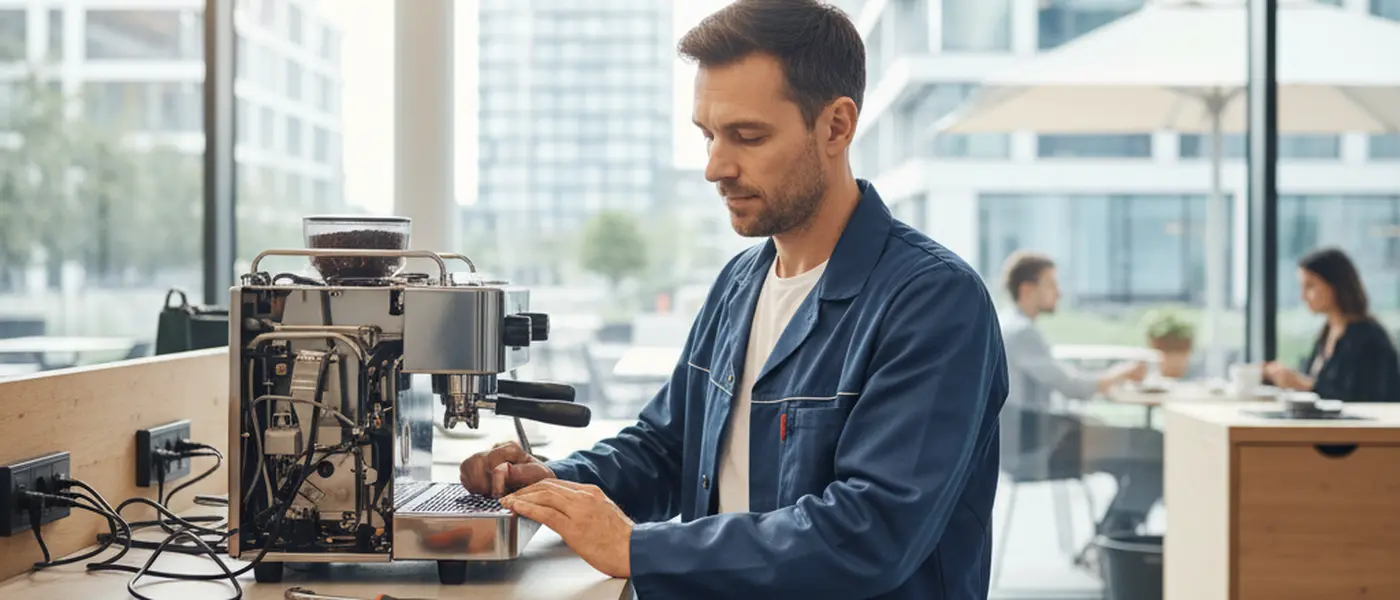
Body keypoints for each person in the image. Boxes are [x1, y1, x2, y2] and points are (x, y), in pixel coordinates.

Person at [458, 1, 1008, 598]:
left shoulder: (933, 302)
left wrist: (636, 547)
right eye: (708, 135)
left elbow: (870, 533)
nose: (715, 166)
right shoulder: (740, 283)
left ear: (836, 126)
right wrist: (555, 483)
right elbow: (667, 449)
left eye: (748, 136)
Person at [998, 250, 1163, 536]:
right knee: (1156, 447)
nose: (1059, 293)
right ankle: (1113, 541)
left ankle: (1111, 538)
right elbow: (1073, 388)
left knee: (1144, 454)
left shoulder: (1010, 325)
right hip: (1041, 448)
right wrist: (1122, 373)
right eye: (1051, 285)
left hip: (1032, 442)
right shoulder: (1021, 332)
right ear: (1027, 289)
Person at [1264, 247, 1400, 403]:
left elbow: (1362, 399)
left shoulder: (1370, 338)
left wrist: (1304, 385)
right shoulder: (1327, 332)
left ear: (1335, 286)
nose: (1303, 296)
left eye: (1310, 286)